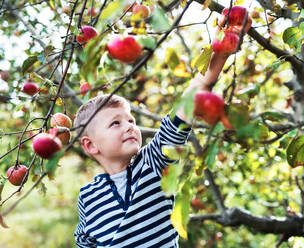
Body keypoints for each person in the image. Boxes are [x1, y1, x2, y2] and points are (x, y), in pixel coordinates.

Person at [73, 14, 249, 247]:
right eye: (116, 123)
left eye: (131, 121)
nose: (129, 127)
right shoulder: (88, 197)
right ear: (91, 145)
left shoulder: (153, 162)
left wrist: (223, 48)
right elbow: (85, 242)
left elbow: (192, 96)